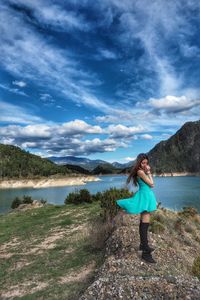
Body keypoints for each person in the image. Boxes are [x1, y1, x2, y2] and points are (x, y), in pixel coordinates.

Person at [116, 153, 157, 264]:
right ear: (139, 162)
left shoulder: (141, 171)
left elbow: (150, 185)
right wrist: (149, 172)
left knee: (144, 222)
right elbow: (152, 184)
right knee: (145, 222)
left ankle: (143, 245)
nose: (145, 164)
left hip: (146, 196)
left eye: (146, 163)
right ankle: (145, 252)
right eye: (143, 163)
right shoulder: (140, 172)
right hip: (144, 196)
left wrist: (148, 172)